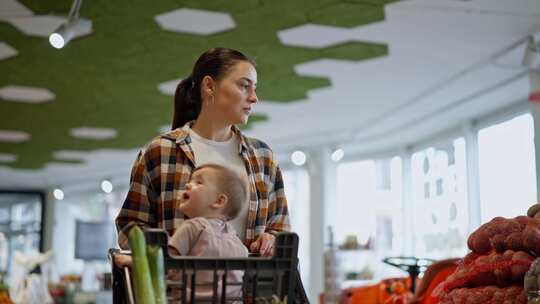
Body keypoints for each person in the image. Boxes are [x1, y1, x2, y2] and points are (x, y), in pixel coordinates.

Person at [115, 47, 290, 256]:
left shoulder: (263, 158)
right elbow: (130, 227)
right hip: (178, 287)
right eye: (244, 86)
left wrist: (271, 239)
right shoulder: (160, 152)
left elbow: (280, 229)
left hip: (247, 288)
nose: (254, 98)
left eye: (254, 88)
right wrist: (169, 255)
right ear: (209, 86)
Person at [167, 164, 248, 300]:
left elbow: (163, 262)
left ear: (219, 201)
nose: (188, 185)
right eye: (190, 181)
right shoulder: (236, 241)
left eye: (198, 182)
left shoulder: (193, 227)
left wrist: (131, 260)